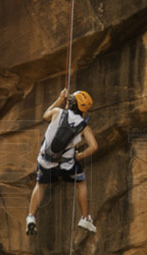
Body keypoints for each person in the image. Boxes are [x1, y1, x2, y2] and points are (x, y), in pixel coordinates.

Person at [26, 88, 98, 235]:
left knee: (41, 185)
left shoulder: (57, 112)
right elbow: (94, 147)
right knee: (81, 183)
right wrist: (80, 156)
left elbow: (45, 116)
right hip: (67, 164)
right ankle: (85, 218)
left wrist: (59, 99)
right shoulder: (83, 126)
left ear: (71, 103)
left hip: (46, 160)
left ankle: (31, 217)